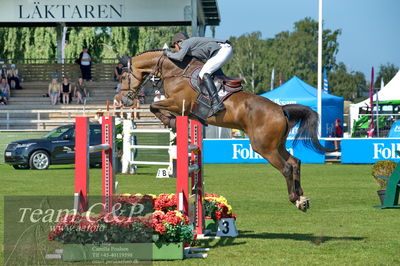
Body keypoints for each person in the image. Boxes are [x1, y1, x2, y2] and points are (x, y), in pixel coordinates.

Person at [163, 32, 233, 116]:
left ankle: (216, 103)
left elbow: (179, 57)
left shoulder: (185, 43)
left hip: (222, 50)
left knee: (203, 74)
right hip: (221, 50)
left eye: (174, 47)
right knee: (210, 73)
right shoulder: (191, 46)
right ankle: (222, 95)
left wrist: (167, 53)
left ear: (179, 42)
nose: (175, 49)